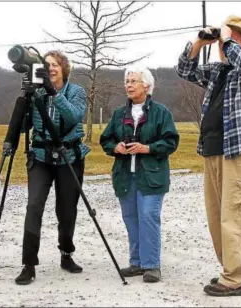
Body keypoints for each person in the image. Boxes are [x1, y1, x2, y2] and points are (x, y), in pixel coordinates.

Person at [176, 15, 241, 296]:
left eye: (234, 38)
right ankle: (239, 269)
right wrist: (199, 41)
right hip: (215, 152)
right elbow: (184, 69)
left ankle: (235, 278)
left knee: (236, 215)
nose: (224, 44)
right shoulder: (218, 72)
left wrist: (227, 38)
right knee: (218, 217)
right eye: (226, 39)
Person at [15, 50, 89, 285]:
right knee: (34, 206)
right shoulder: (36, 91)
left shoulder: (76, 91)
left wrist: (52, 92)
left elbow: (74, 115)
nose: (51, 69)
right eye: (46, 65)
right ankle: (28, 264)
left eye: (55, 65)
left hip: (69, 156)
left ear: (64, 68)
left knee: (66, 210)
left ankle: (66, 253)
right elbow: (22, 126)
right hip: (40, 156)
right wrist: (26, 97)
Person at [99, 65, 180, 283]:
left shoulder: (161, 112)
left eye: (134, 81)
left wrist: (148, 148)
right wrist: (115, 147)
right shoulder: (119, 114)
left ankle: (151, 265)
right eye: (127, 81)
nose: (129, 85)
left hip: (152, 176)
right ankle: (136, 263)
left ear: (147, 85)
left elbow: (171, 141)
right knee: (131, 218)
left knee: (148, 217)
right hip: (125, 176)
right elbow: (105, 140)